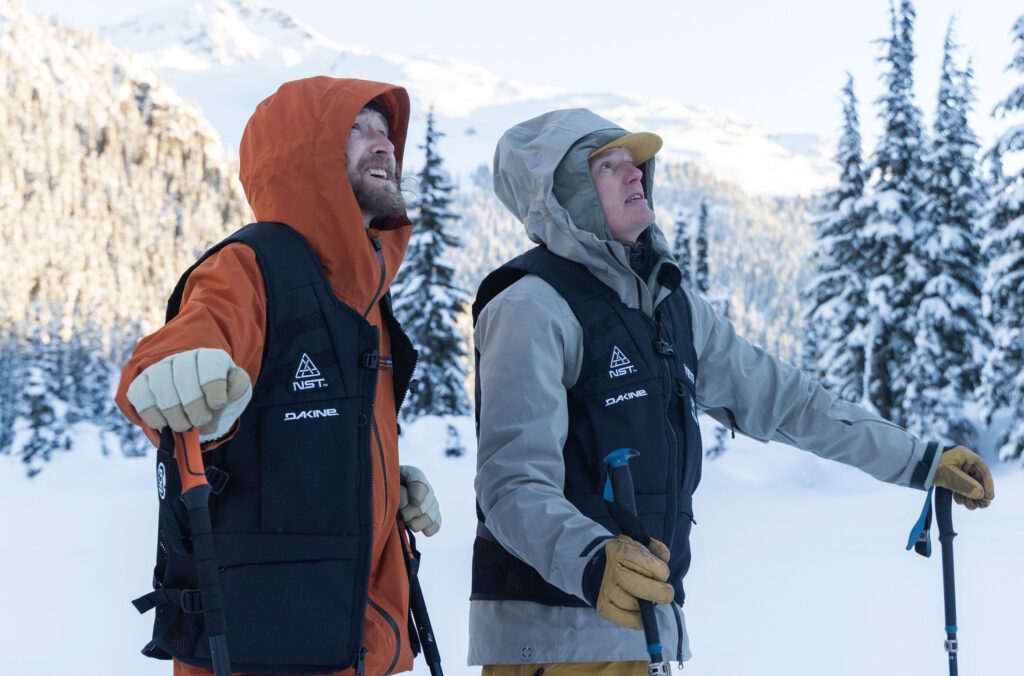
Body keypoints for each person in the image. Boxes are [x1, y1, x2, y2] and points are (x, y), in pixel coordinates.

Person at [469, 108, 995, 675]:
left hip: (643, 632)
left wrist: (919, 460)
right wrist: (593, 561)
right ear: (563, 195)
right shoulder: (531, 307)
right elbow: (511, 483)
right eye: (607, 165)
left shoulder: (670, 308)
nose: (634, 175)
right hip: (552, 641)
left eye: (635, 163)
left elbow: (790, 402)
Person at [115, 77, 441, 676]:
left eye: (385, 131)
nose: (384, 144)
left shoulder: (365, 303)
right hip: (264, 652)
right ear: (305, 156)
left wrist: (382, 483)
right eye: (357, 129)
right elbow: (189, 339)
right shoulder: (249, 267)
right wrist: (173, 372)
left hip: (354, 647)